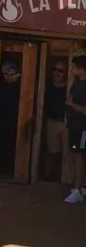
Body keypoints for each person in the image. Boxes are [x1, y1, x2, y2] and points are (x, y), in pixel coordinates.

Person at [63, 55, 86, 203]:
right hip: (74, 126)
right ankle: (79, 187)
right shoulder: (77, 83)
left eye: (74, 67)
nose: (71, 70)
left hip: (82, 127)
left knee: (79, 157)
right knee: (74, 155)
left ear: (82, 69)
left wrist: (72, 105)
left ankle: (78, 190)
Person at [43, 59, 69, 182]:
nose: (57, 73)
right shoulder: (47, 85)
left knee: (68, 153)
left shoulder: (70, 86)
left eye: (61, 71)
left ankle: (65, 179)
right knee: (52, 151)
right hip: (51, 121)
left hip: (66, 122)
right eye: (55, 70)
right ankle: (49, 176)